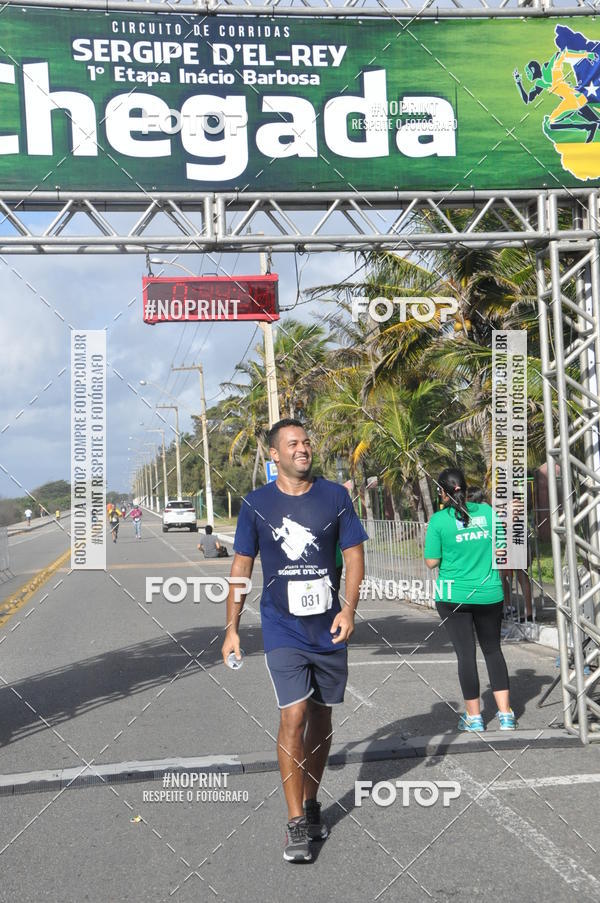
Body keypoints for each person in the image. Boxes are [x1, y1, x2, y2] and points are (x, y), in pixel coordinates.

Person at [222, 419, 368, 863]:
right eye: (293, 444)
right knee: (294, 714)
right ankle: (295, 824)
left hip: (327, 627)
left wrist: (349, 609)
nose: (303, 449)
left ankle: (310, 802)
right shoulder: (256, 503)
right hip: (282, 626)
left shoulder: (336, 497)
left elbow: (355, 556)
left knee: (321, 721)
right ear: (274, 455)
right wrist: (230, 627)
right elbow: (242, 568)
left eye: (306, 442)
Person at [424, 467, 516, 732]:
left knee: (466, 655)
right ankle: (505, 714)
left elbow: (431, 562)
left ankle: (475, 717)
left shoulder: (439, 521)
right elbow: (500, 550)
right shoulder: (488, 512)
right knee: (493, 650)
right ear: (464, 487)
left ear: (442, 493)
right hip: (489, 593)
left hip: (454, 596)